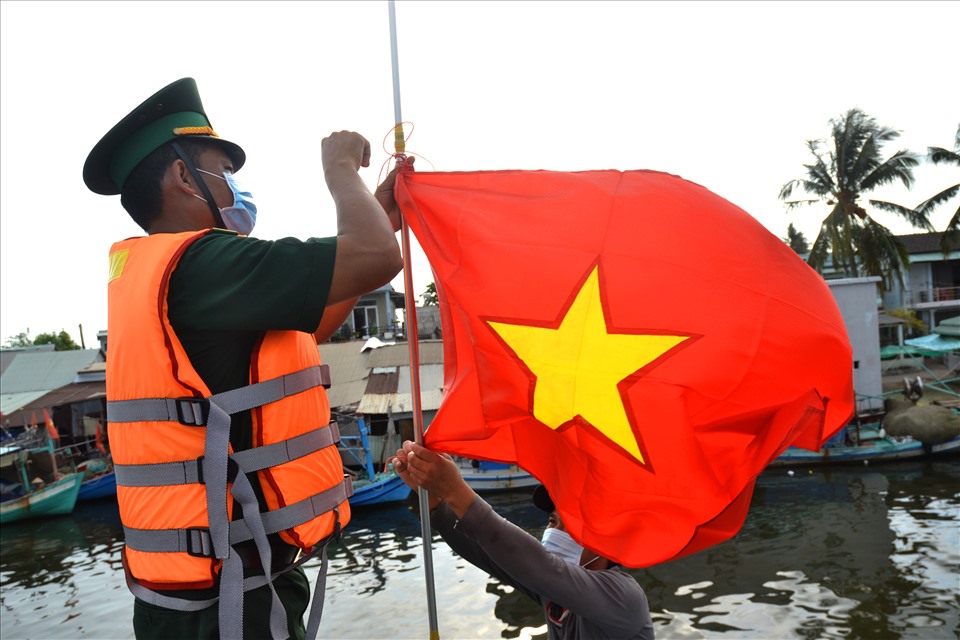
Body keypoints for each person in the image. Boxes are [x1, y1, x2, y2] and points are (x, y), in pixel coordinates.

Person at [83, 77, 407, 640]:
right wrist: (340, 171)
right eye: (224, 170)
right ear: (185, 177)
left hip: (200, 593)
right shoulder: (205, 262)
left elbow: (309, 327)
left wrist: (377, 212)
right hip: (232, 605)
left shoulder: (163, 272)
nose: (236, 185)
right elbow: (377, 257)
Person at [392, 440, 655, 639]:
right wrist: (436, 502)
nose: (556, 531)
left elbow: (537, 564)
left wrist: (455, 491)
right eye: (553, 521)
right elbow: (490, 556)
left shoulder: (624, 597)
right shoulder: (555, 593)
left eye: (572, 523)